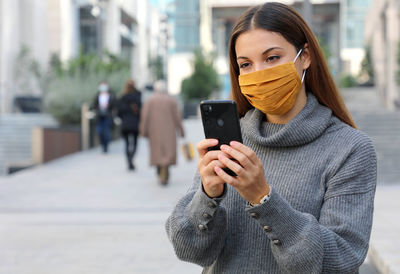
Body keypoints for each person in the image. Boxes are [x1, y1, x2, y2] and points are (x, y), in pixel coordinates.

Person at [165, 2, 377, 273]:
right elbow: (190, 251)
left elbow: (340, 259)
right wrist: (208, 195)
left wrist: (264, 199)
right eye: (246, 64)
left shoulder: (350, 149)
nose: (260, 74)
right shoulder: (232, 141)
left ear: (305, 56)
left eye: (272, 58)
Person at [139, 80, 185, 185]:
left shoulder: (150, 100)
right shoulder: (172, 100)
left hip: (154, 131)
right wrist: (181, 131)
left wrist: (143, 131)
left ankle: (161, 172)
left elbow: (144, 117)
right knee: (167, 152)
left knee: (157, 152)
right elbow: (177, 117)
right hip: (169, 131)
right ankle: (165, 172)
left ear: (156, 89)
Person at [117, 79, 142, 170]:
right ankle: (131, 158)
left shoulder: (122, 97)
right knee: (135, 143)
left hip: (125, 124)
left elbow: (118, 112)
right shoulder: (138, 96)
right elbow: (141, 111)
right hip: (135, 123)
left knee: (127, 144)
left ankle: (129, 160)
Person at [92, 81, 116, 153]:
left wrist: (108, 105)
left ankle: (106, 146)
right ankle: (102, 145)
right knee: (99, 131)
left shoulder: (111, 95)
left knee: (106, 132)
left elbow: (114, 105)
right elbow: (94, 105)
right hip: (99, 116)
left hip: (107, 116)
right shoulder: (97, 95)